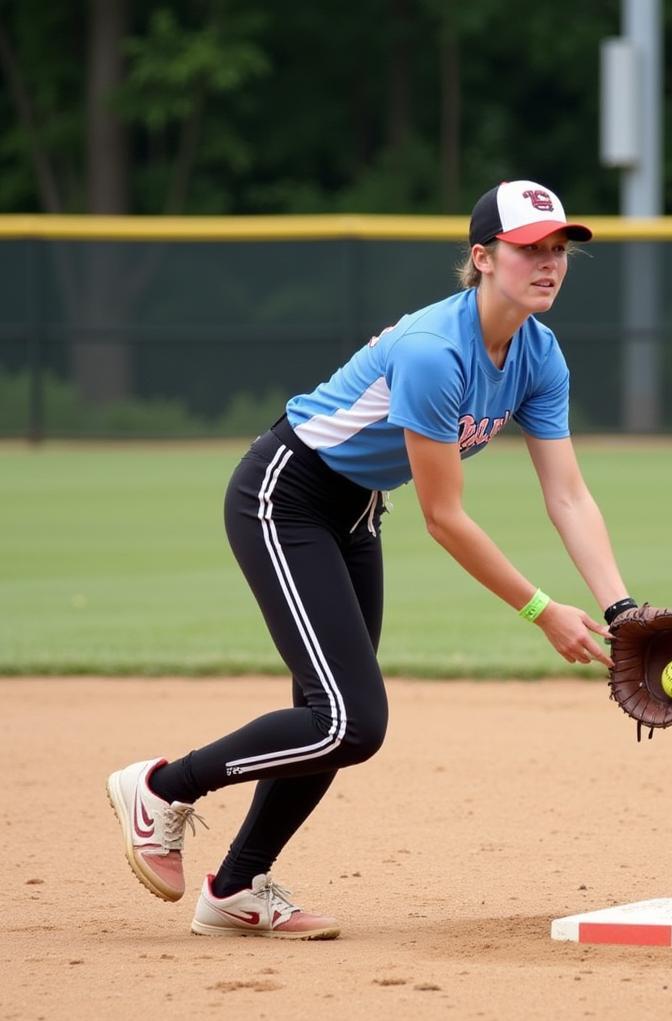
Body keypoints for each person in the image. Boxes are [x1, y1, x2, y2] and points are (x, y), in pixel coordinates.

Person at [106, 180, 640, 940]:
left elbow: (569, 496)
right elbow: (445, 519)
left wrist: (621, 608)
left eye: (559, 250)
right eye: (530, 249)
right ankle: (160, 786)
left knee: (326, 713)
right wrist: (540, 610)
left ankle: (235, 890)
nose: (549, 263)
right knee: (349, 720)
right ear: (483, 257)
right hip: (284, 497)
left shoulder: (538, 354)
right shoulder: (434, 352)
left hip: (354, 511)